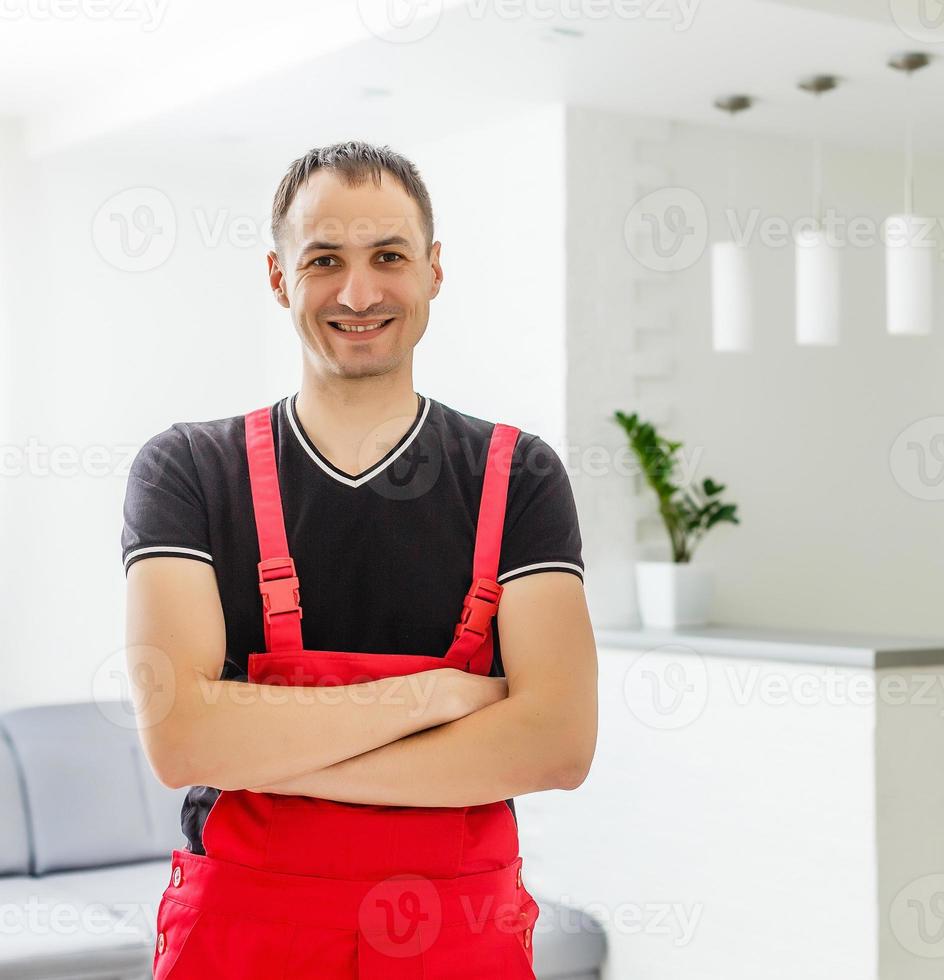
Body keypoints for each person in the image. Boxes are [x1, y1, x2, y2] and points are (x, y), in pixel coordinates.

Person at [120, 140, 597, 978]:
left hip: (460, 939)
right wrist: (438, 697)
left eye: (389, 257)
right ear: (278, 278)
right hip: (245, 937)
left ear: (434, 271)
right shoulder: (188, 469)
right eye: (324, 260)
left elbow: (558, 742)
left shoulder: (518, 476)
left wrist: (276, 754)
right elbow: (183, 740)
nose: (359, 292)